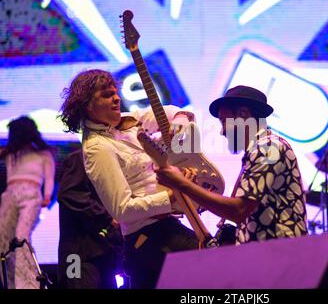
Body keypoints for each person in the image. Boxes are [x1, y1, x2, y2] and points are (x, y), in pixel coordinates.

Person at [58, 69, 198, 289]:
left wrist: (179, 127)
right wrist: (170, 198)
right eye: (106, 95)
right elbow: (121, 210)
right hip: (146, 237)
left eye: (115, 92)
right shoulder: (97, 148)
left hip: (161, 229)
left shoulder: (126, 123)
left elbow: (171, 112)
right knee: (212, 264)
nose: (115, 98)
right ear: (88, 105)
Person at [155, 85, 308, 244]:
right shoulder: (260, 150)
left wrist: (181, 183)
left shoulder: (269, 147)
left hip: (282, 256)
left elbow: (238, 210)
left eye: (224, 121)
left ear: (243, 115)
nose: (222, 131)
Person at [0, 116, 55, 289]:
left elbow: (50, 177)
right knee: (2, 240)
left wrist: (47, 195)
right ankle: (9, 282)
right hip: (10, 195)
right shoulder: (11, 154)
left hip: (31, 195)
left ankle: (28, 284)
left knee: (21, 238)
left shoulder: (44, 154)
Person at [57, 149, 124, 289]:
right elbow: (69, 194)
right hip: (77, 256)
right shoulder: (80, 159)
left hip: (103, 254)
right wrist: (106, 218)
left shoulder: (107, 163)